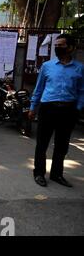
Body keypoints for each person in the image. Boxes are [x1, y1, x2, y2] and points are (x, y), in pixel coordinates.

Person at [29, 34, 84, 188]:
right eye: (56, 45)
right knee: (42, 143)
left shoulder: (79, 68)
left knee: (62, 144)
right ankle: (39, 173)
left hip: (68, 110)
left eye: (62, 45)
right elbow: (39, 88)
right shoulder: (47, 66)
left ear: (71, 48)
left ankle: (56, 174)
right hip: (48, 109)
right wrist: (33, 107)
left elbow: (82, 91)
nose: (58, 48)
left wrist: (78, 108)